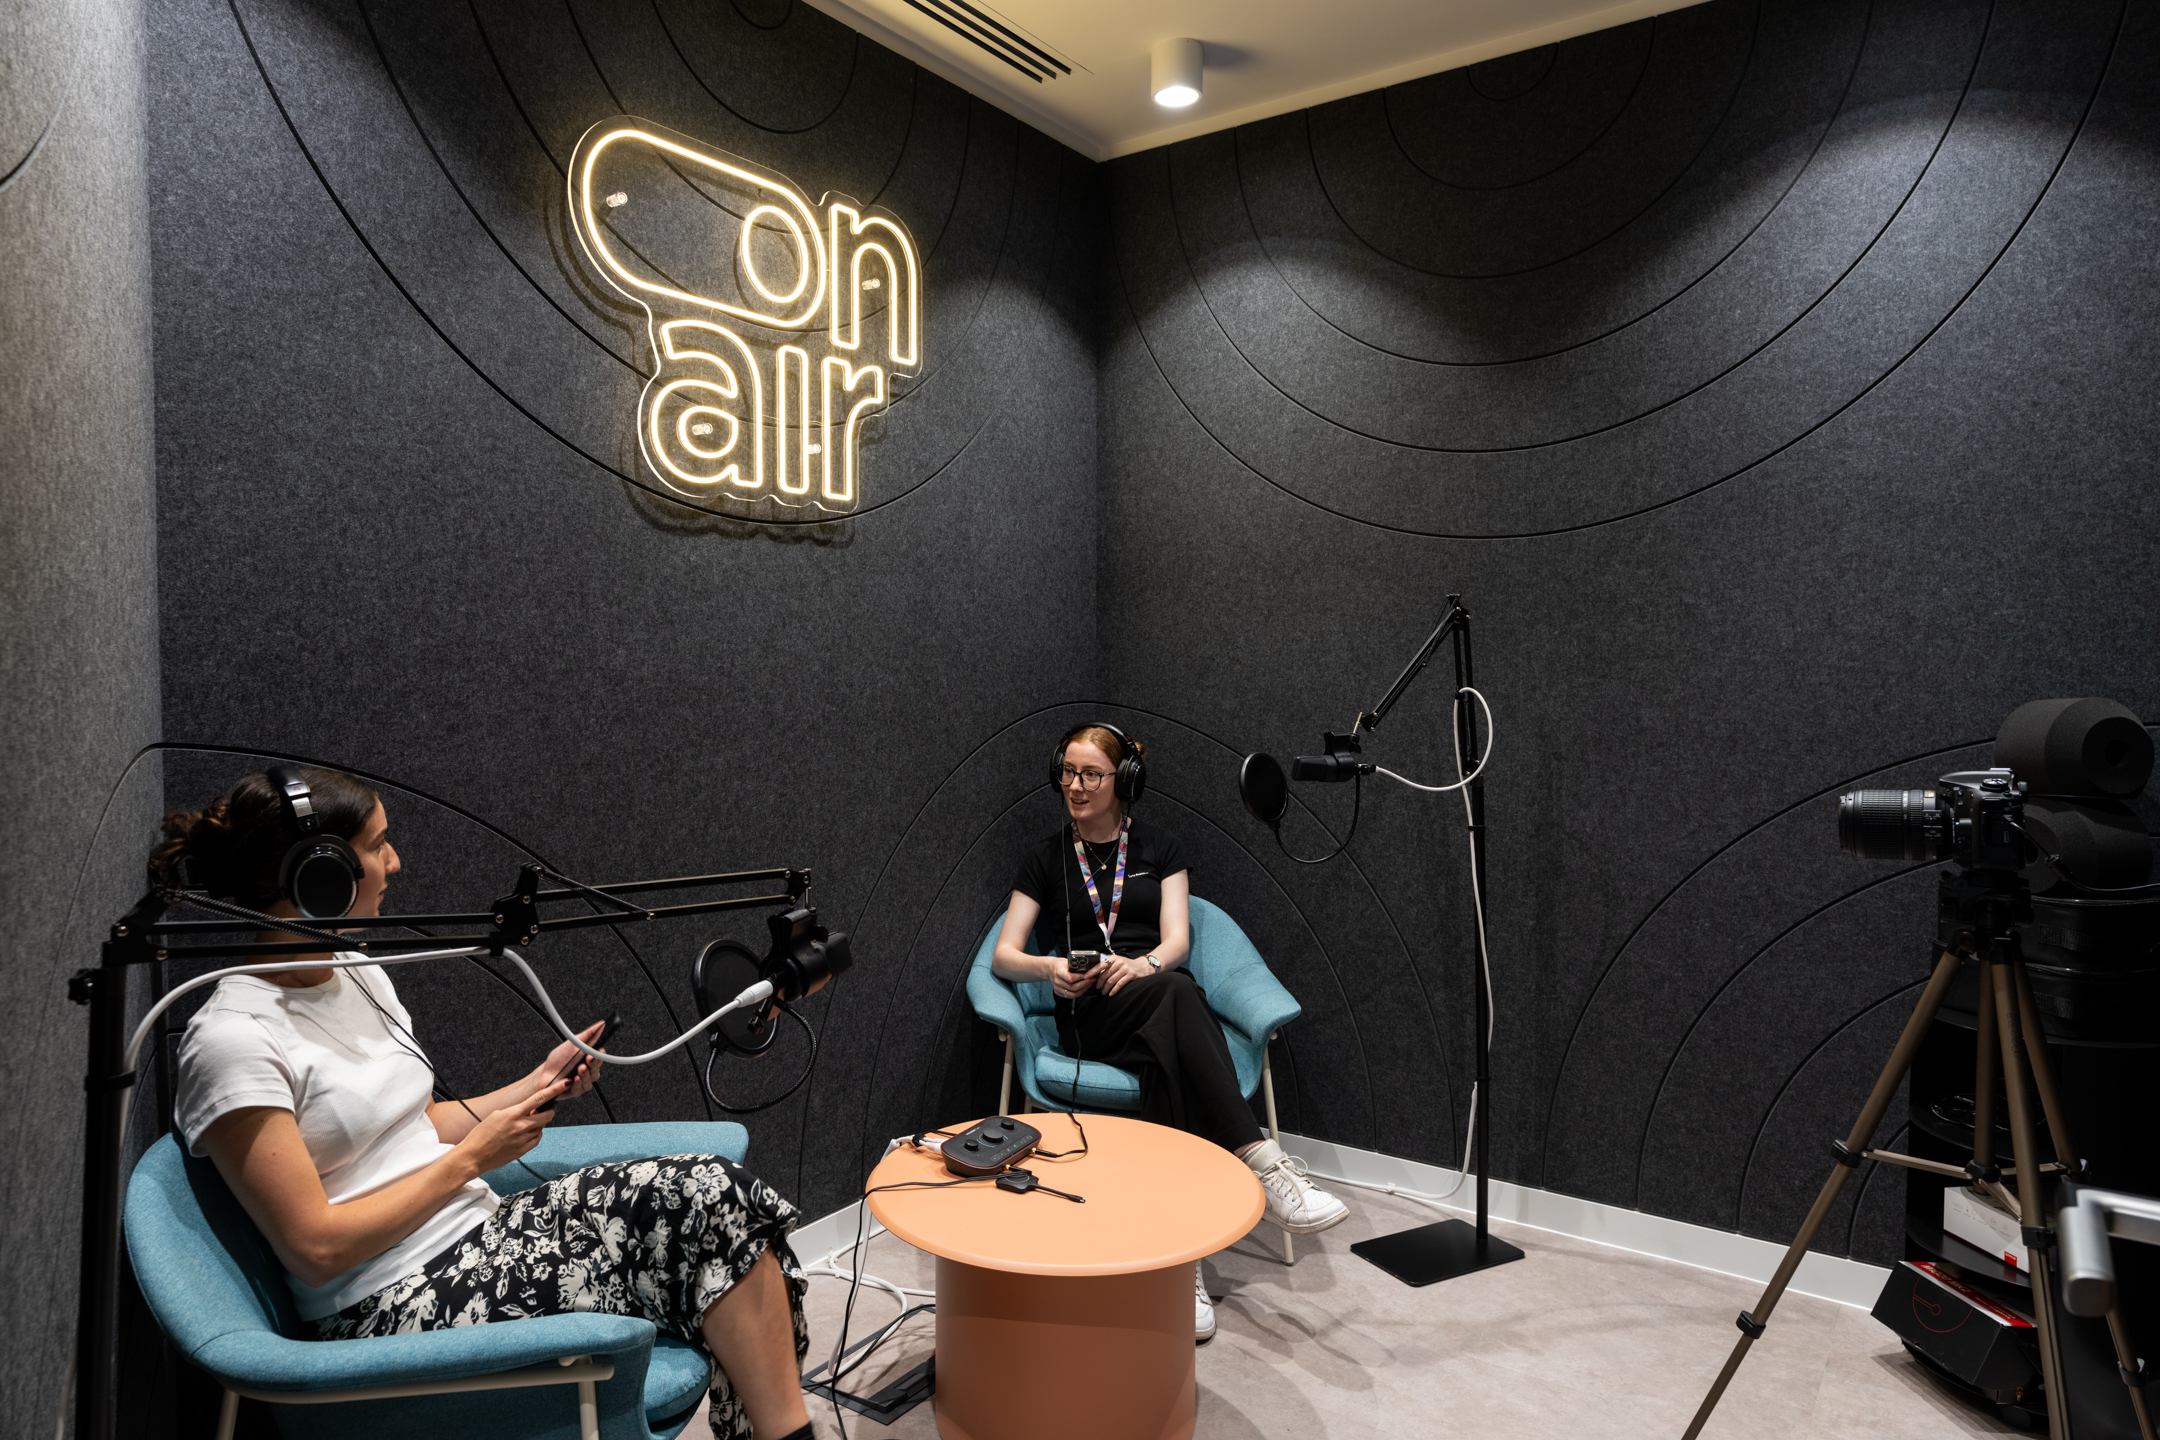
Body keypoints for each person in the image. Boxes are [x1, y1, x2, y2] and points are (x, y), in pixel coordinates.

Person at [155, 768, 814, 1440]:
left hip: (479, 1232)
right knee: (689, 1245)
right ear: (319, 876)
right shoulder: (234, 1040)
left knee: (710, 1192)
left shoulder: (354, 972)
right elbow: (315, 1247)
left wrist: (535, 1085)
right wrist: (472, 1158)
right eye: (379, 846)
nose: (396, 862)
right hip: (390, 1307)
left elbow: (410, 1126)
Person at [992, 724, 1348, 1343]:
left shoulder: (1161, 848)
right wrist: (1050, 969)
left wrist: (1144, 963)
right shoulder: (1045, 858)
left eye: (1092, 774)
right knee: (1180, 1000)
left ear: (1124, 781)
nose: (1076, 786)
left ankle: (1176, 1264)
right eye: (1068, 773)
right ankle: (1264, 1163)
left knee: (1168, 1026)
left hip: (1153, 997)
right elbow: (1003, 956)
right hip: (1090, 1016)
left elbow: (1177, 942)